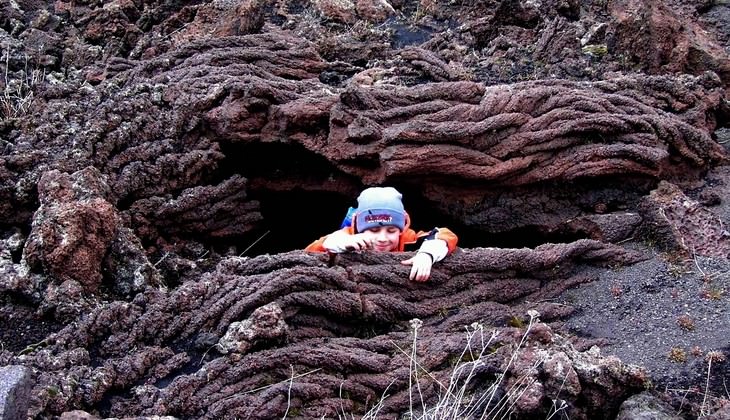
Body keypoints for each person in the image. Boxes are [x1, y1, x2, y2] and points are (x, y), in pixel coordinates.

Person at [305, 187, 458, 282]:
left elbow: (444, 235)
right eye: (374, 230)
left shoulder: (407, 239)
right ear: (360, 228)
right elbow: (307, 254)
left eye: (391, 231)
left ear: (401, 228)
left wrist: (427, 255)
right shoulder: (346, 238)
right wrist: (337, 244)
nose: (383, 238)